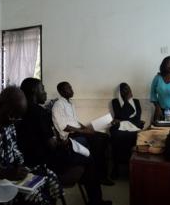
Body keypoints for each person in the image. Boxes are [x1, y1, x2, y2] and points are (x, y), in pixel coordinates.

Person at [17, 77, 112, 205]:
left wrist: (83, 130)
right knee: (89, 159)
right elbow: (52, 144)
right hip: (46, 162)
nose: (45, 93)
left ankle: (94, 189)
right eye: (43, 89)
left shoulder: (20, 112)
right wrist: (64, 142)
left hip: (29, 160)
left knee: (94, 142)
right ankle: (96, 201)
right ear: (34, 91)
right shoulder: (40, 112)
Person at [52, 81, 114, 186]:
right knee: (98, 142)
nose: (72, 90)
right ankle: (100, 176)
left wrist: (86, 128)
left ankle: (99, 170)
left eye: (71, 87)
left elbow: (75, 121)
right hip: (70, 136)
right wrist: (84, 131)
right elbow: (64, 127)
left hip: (78, 131)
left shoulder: (70, 103)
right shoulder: (58, 105)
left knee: (105, 137)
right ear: (61, 91)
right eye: (68, 88)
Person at [110, 82, 144, 179]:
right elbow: (120, 115)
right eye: (123, 89)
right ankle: (116, 168)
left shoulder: (136, 101)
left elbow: (137, 118)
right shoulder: (115, 102)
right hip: (120, 127)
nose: (126, 91)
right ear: (119, 92)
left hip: (134, 126)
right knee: (116, 137)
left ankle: (133, 167)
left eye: (128, 88)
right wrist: (126, 102)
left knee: (135, 137)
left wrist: (122, 120)